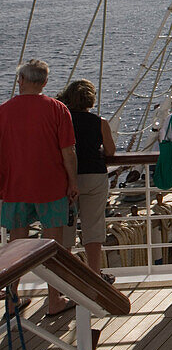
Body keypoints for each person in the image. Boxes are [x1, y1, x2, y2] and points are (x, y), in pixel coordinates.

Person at [0, 60, 79, 317]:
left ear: (21, 81)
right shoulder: (57, 109)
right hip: (51, 186)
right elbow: (68, 152)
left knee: (16, 245)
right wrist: (73, 183)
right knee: (51, 245)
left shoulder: (4, 111)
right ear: (45, 82)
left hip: (15, 186)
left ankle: (12, 297)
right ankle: (54, 299)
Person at [58, 79, 117, 283]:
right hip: (94, 176)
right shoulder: (100, 123)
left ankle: (65, 276)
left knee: (66, 231)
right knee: (93, 227)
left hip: (68, 178)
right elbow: (110, 151)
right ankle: (94, 274)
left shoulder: (62, 120)